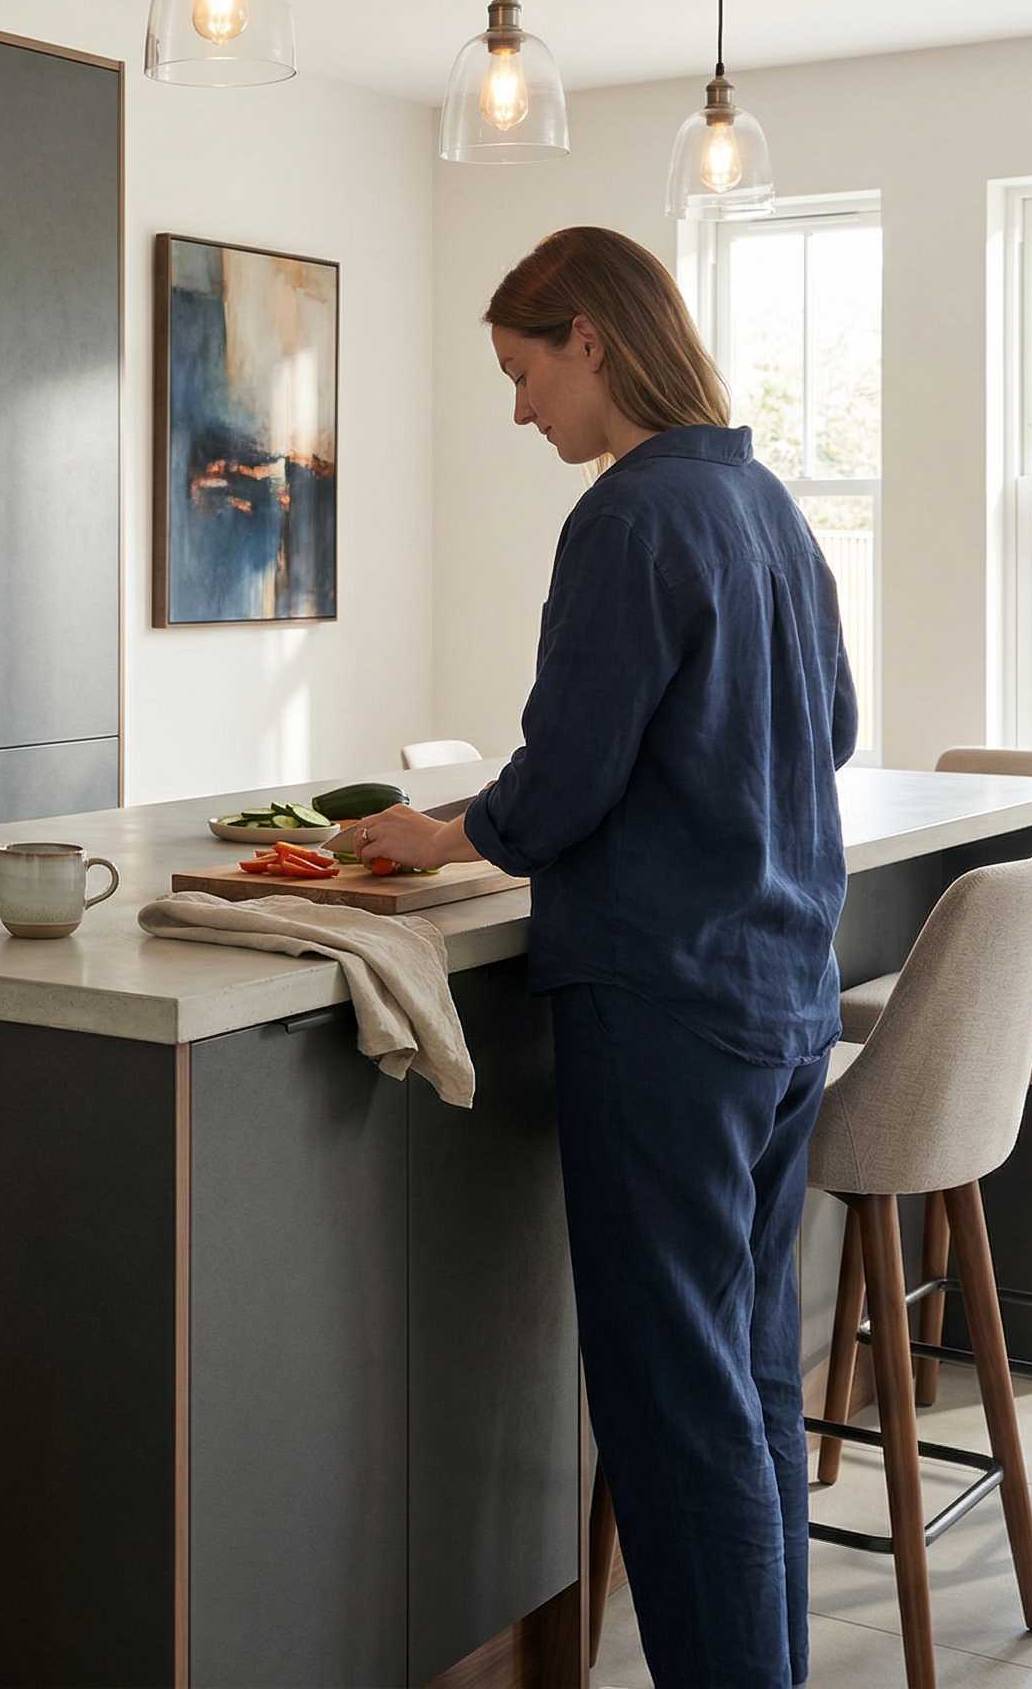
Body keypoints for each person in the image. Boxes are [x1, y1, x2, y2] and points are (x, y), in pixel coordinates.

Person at [351, 226, 855, 1689]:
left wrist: (444, 837)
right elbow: (831, 730)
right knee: (752, 1384)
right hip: (779, 1001)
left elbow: (562, 779)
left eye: (522, 374)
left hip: (666, 1007)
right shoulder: (766, 503)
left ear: (591, 339)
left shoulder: (631, 518)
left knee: (671, 1405)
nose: (521, 415)